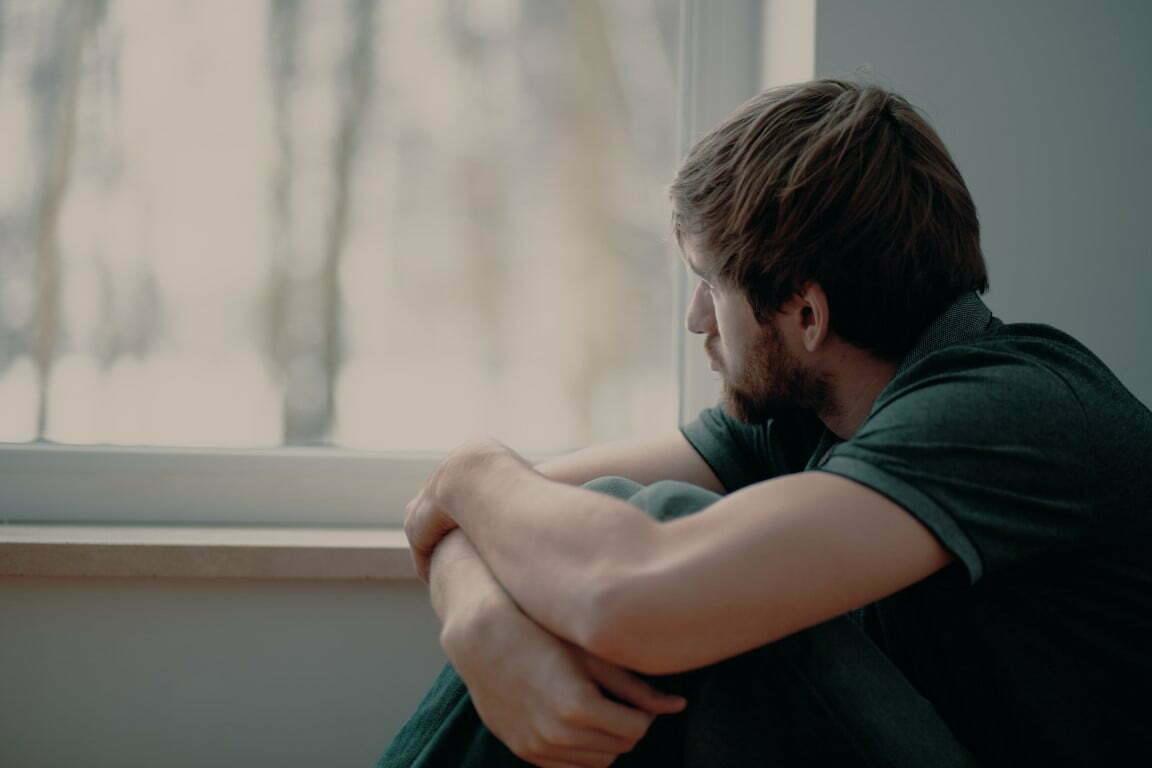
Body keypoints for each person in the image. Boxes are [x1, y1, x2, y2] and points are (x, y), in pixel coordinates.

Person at [380, 79, 1152, 767]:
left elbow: (624, 591)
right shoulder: (814, 417)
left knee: (670, 554)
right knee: (605, 531)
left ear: (807, 313)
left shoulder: (1010, 409)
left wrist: (471, 464)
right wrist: (481, 625)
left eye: (708, 287)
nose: (694, 322)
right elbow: (491, 519)